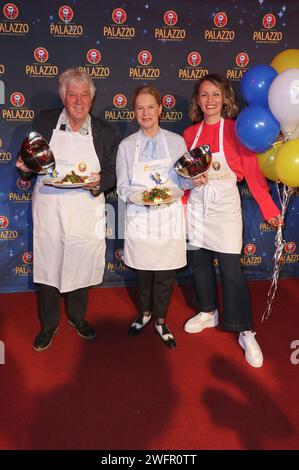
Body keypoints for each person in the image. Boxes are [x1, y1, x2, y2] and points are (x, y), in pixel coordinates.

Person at [183, 74, 283, 367]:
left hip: (225, 207)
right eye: (204, 95)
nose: (210, 100)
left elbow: (252, 173)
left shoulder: (236, 130)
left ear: (225, 98)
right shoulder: (191, 134)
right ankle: (207, 310)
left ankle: (244, 330)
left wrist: (268, 208)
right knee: (199, 263)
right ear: (197, 101)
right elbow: (187, 173)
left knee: (231, 271)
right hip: (198, 206)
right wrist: (184, 201)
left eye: (215, 94)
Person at [16, 68, 119, 351]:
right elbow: (30, 159)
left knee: (81, 260)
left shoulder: (104, 131)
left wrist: (100, 182)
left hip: (86, 208)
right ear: (63, 97)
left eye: (84, 94)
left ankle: (77, 316)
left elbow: (112, 171)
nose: (78, 100)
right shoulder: (45, 120)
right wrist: (24, 169)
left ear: (92, 99)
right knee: (50, 262)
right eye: (72, 94)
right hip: (50, 205)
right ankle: (49, 324)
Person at [116, 85, 190, 348]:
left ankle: (160, 319)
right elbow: (123, 187)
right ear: (134, 112)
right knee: (143, 274)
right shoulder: (126, 146)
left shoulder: (176, 141)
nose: (145, 112)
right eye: (139, 108)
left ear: (160, 109)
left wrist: (196, 180)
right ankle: (144, 313)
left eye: (150, 107)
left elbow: (184, 180)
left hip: (169, 216)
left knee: (165, 275)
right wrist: (144, 198)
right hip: (140, 216)